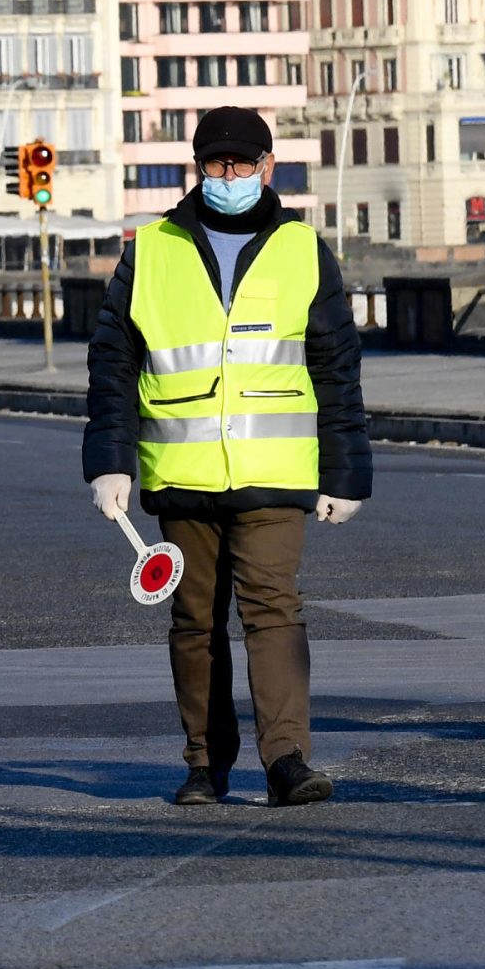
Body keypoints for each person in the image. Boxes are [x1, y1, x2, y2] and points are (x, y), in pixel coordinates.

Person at [82, 106, 372, 807]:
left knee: (274, 610)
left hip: (275, 474)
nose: (231, 174)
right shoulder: (152, 249)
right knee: (195, 622)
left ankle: (287, 760)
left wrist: (346, 474)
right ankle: (205, 765)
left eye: (244, 162)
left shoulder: (302, 249)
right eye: (218, 162)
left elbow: (337, 368)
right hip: (182, 474)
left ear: (268, 167)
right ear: (199, 167)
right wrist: (109, 461)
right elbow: (113, 360)